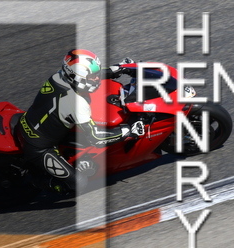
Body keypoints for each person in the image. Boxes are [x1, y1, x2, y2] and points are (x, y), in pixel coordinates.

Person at [16, 49, 144, 195]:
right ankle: (35, 182)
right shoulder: (76, 103)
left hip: (31, 121)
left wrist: (117, 69)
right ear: (77, 77)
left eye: (96, 74)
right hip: (39, 147)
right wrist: (129, 131)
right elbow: (96, 138)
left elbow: (87, 77)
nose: (97, 78)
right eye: (93, 77)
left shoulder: (59, 76)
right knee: (79, 184)